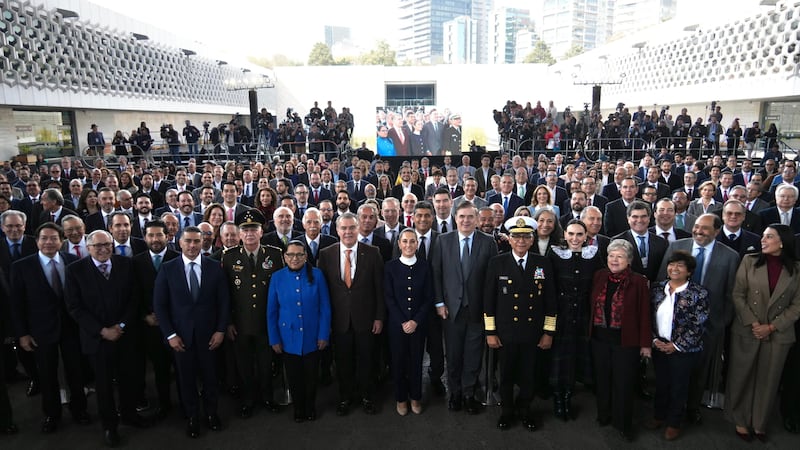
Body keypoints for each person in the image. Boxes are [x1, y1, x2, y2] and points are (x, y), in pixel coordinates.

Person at [65, 230, 148, 447]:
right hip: (97, 339)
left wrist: (120, 326)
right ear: (88, 247)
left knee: (128, 378)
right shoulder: (75, 270)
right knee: (103, 385)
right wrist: (102, 331)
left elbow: (134, 298)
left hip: (125, 335)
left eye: (107, 245)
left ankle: (130, 414)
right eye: (97, 246)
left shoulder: (125, 264)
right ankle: (110, 426)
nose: (103, 249)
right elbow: (75, 307)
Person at [10, 223, 89, 433]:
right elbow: (16, 304)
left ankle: (80, 410)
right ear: (36, 241)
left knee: (76, 372)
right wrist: (23, 334)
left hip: (71, 328)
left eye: (54, 238)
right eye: (44, 238)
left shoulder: (72, 261)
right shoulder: (21, 266)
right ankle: (52, 415)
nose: (48, 242)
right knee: (47, 375)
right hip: (40, 331)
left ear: (61, 241)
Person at [153, 226, 230, 439]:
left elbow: (224, 302)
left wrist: (221, 330)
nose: (193, 245)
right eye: (188, 241)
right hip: (181, 338)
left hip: (210, 336)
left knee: (210, 377)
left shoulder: (215, 267)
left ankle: (212, 414)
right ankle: (192, 417)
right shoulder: (168, 269)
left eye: (197, 241)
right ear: (179, 242)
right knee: (186, 379)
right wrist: (170, 335)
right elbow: (160, 305)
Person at [726, 224, 800, 442]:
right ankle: (740, 419)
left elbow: (797, 305)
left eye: (769, 237)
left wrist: (772, 326)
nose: (763, 240)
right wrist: (754, 323)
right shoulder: (749, 261)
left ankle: (759, 423)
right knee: (741, 375)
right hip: (748, 328)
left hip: (779, 333)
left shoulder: (796, 269)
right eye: (763, 236)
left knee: (768, 380)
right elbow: (738, 294)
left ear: (782, 242)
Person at [484, 216, 556, 431]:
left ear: (532, 239)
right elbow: (489, 300)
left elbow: (551, 301)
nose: (521, 241)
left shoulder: (542, 263)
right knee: (505, 374)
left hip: (532, 332)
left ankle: (525, 410)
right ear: (510, 239)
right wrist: (490, 331)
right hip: (506, 332)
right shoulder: (497, 262)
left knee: (528, 375)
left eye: (526, 237)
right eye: (516, 236)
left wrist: (548, 332)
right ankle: (507, 411)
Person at [432, 201, 498, 414]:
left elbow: (492, 279)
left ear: (477, 219)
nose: (466, 220)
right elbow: (437, 274)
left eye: (470, 217)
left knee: (473, 354)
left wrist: (490, 310)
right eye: (462, 216)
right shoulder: (443, 241)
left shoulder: (488, 242)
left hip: (477, 310)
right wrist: (440, 302)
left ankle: (469, 394)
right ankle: (455, 393)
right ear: (455, 218)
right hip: (451, 310)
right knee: (453, 355)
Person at [317, 212, 385, 416]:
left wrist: (379, 317)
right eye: (343, 228)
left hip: (366, 319)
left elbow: (379, 289)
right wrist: (325, 322)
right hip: (339, 321)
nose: (348, 232)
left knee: (366, 360)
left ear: (358, 229)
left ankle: (366, 397)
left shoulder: (373, 252)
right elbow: (323, 292)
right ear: (337, 230)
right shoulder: (326, 254)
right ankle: (345, 397)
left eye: (351, 228)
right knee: (343, 362)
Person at [221, 210, 284, 419]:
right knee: (244, 366)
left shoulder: (274, 254)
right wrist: (228, 322)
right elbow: (225, 293)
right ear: (239, 233)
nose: (249, 233)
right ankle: (248, 400)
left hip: (267, 323)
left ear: (261, 231)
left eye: (253, 229)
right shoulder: (229, 257)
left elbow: (280, 292)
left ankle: (267, 397)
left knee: (266, 365)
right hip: (240, 323)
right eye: (245, 230)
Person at [589, 239, 652, 441]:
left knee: (623, 384)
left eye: (620, 256)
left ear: (629, 260)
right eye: (611, 255)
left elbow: (644, 314)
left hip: (626, 342)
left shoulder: (639, 281)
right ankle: (604, 415)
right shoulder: (599, 276)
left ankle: (623, 423)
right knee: (603, 380)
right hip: (599, 339)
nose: (614, 260)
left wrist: (645, 344)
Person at [647, 250, 709, 441]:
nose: (674, 268)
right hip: (659, 345)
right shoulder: (657, 289)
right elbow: (647, 316)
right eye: (672, 264)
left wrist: (677, 345)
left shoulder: (698, 293)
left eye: (680, 266)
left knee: (679, 387)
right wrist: (654, 339)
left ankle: (674, 422)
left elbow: (698, 324)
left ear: (689, 272)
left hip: (683, 350)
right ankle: (659, 416)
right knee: (661, 384)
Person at [268, 240, 331, 423]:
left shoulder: (317, 275)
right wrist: (274, 339)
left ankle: (310, 406)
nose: (294, 258)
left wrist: (323, 334)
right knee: (294, 377)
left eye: (299, 255)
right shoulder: (277, 277)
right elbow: (271, 312)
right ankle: (298, 408)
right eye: (290, 255)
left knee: (311, 376)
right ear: (284, 257)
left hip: (313, 336)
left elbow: (325, 308)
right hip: (288, 338)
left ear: (305, 256)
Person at [549, 220, 602, 421]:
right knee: (559, 355)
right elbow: (549, 285)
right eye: (571, 234)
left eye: (579, 234)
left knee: (577, 355)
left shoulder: (593, 254)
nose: (575, 238)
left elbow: (600, 281)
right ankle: (558, 397)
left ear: (586, 236)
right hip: (561, 313)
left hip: (584, 313)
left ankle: (569, 394)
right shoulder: (555, 254)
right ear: (564, 234)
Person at [131, 220, 179, 421]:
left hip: (177, 325)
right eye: (150, 235)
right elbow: (133, 294)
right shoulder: (136, 262)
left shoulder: (178, 258)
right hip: (150, 326)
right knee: (159, 369)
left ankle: (186, 403)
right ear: (145, 238)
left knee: (181, 368)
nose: (155, 239)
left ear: (167, 236)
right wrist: (144, 315)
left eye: (159, 235)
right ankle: (165, 404)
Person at [384, 229, 433, 416]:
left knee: (416, 362)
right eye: (405, 241)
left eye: (412, 241)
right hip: (397, 326)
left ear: (417, 244)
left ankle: (415, 397)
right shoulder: (390, 267)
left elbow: (428, 297)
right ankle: (401, 398)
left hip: (418, 326)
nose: (408, 245)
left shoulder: (424, 266)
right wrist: (404, 322)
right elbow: (389, 298)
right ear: (399, 244)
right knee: (398, 362)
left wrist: (416, 321)